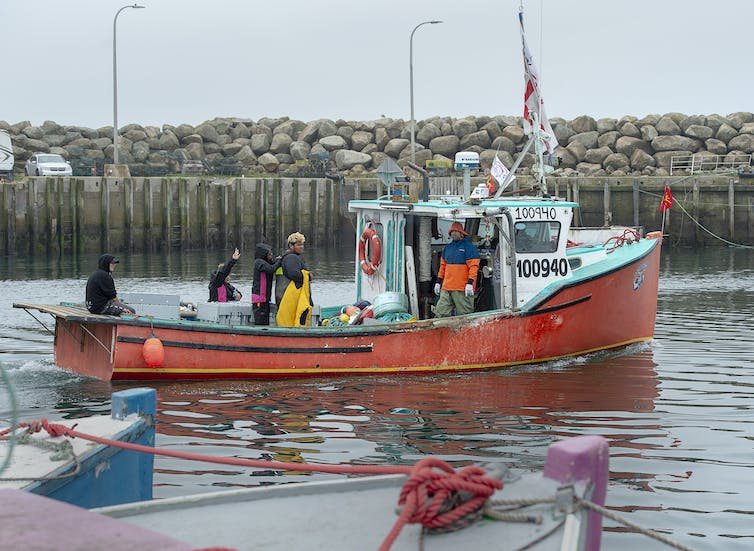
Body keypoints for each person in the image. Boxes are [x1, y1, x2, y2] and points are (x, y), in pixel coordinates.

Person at [433, 222, 481, 317]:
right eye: (452, 232)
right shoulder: (447, 248)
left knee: (465, 316)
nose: (454, 233)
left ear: (462, 233)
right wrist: (438, 282)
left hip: (462, 288)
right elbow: (443, 267)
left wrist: (470, 283)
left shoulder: (469, 247)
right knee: (440, 313)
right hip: (446, 287)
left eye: (456, 231)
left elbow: (474, 267)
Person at [276, 232, 312, 327]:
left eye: (302, 244)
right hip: (293, 297)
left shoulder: (288, 257)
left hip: (287, 295)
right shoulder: (292, 258)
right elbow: (294, 274)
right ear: (290, 246)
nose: (301, 247)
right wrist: (308, 275)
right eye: (298, 245)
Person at [251, 243, 281, 325]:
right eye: (269, 254)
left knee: (265, 322)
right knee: (261, 322)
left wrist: (277, 260)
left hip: (265, 298)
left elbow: (271, 264)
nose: (271, 255)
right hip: (260, 299)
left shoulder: (264, 262)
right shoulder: (259, 262)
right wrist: (278, 261)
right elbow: (271, 269)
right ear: (263, 254)